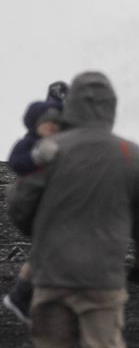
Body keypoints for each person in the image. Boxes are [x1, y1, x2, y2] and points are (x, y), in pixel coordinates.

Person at [6, 71, 139, 348]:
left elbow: (19, 203)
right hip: (102, 278)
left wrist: (39, 234)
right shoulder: (129, 153)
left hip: (51, 275)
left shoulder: (52, 148)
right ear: (111, 107)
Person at [3, 81, 68, 324]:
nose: (52, 127)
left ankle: (25, 296)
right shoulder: (30, 144)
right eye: (47, 123)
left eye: (56, 124)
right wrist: (36, 158)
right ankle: (26, 297)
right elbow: (17, 162)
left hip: (53, 205)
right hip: (35, 206)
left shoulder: (61, 141)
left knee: (48, 250)